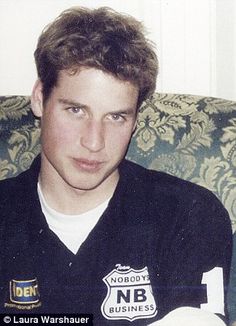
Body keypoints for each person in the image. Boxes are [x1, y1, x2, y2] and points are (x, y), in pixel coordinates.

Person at [0, 6, 232, 326]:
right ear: (40, 98)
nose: (95, 142)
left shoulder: (188, 213)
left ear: (136, 119)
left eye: (116, 117)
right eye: (76, 111)